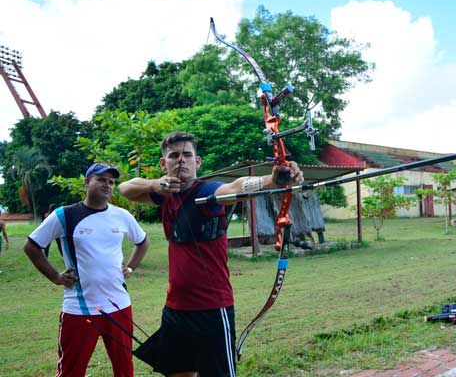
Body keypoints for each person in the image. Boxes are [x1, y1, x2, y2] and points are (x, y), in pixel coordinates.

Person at [118, 131, 304, 377]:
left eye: (187, 155)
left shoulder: (209, 192)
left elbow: (234, 187)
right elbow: (124, 188)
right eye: (174, 156)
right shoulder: (164, 195)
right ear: (164, 163)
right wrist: (156, 184)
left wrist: (271, 181)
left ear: (198, 162)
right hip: (175, 308)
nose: (181, 160)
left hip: (212, 310)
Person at [23, 163, 149, 377]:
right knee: (71, 370)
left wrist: (130, 267)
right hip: (79, 309)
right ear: (87, 181)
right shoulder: (64, 215)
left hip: (119, 306)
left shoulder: (122, 215)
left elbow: (142, 242)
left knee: (125, 369)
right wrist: (55, 276)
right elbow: (31, 246)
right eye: (101, 179)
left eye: (111, 181)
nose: (107, 185)